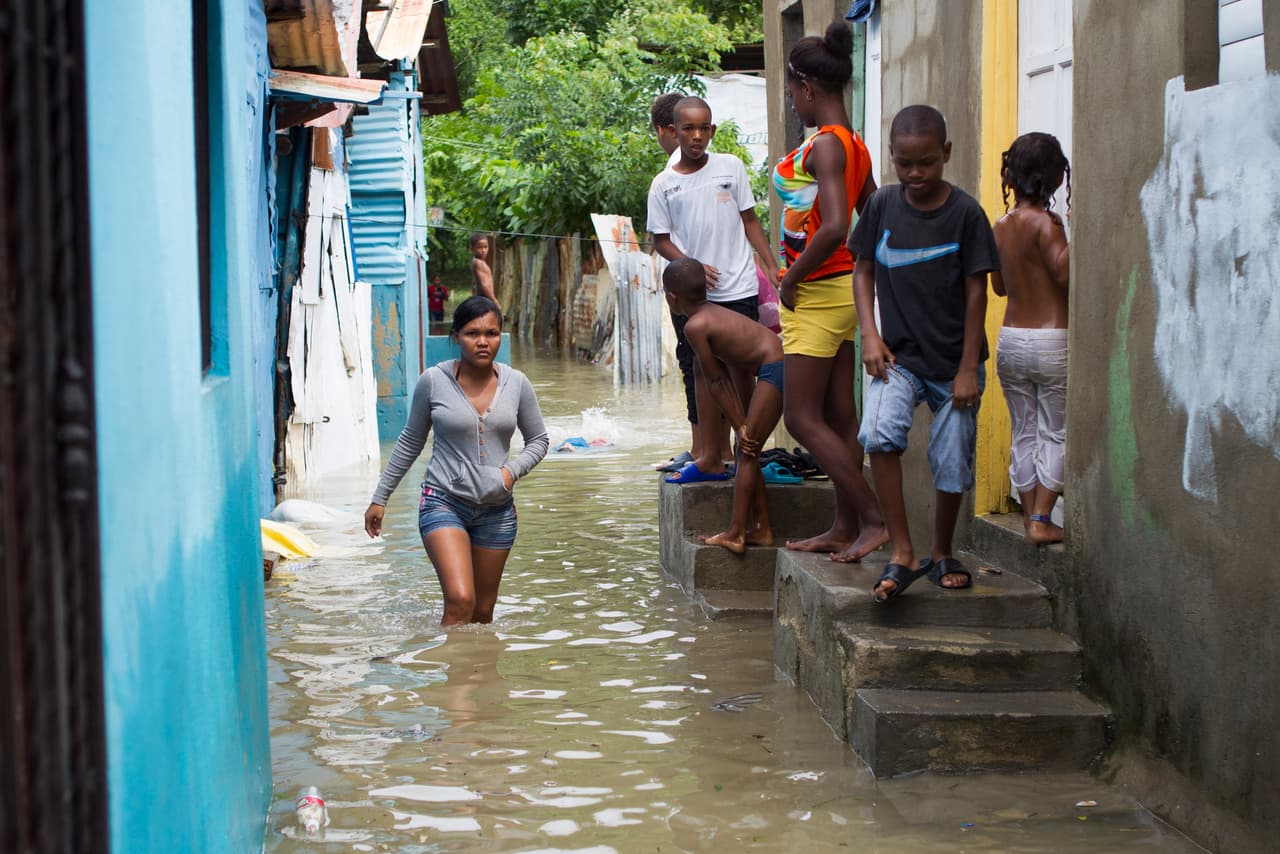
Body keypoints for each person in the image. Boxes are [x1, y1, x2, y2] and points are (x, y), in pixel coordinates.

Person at [848, 105, 999, 603]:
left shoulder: (967, 214)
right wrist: (870, 333)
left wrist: (966, 369)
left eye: (927, 164)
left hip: (956, 362)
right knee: (878, 432)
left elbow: (977, 293)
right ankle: (904, 550)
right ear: (891, 156)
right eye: (905, 164)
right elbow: (863, 269)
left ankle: (941, 551)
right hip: (900, 360)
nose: (915, 175)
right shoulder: (883, 206)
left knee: (952, 457)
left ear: (946, 155)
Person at [771, 21, 887, 563]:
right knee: (841, 413)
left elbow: (838, 224)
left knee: (800, 417)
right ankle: (843, 525)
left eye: (794, 92)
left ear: (810, 89)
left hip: (817, 294)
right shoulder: (852, 143)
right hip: (841, 290)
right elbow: (875, 209)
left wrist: (790, 277)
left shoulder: (825, 147)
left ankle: (873, 517)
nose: (793, 101)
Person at [364, 296, 548, 625]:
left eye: (491, 333)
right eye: (472, 333)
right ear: (455, 337)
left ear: (501, 336)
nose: (482, 342)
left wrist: (510, 473)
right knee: (461, 600)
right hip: (443, 501)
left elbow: (539, 440)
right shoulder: (433, 381)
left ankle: (477, 673)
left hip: (497, 510)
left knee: (482, 613)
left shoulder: (516, 383)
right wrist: (381, 498)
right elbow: (410, 441)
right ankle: (454, 676)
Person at [648, 95, 779, 482]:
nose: (696, 136)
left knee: (741, 372)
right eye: (688, 128)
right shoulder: (664, 184)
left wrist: (771, 266)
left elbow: (751, 221)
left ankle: (746, 453)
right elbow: (660, 239)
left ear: (713, 131)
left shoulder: (731, 168)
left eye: (704, 128)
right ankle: (709, 456)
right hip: (696, 296)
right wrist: (689, 266)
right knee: (704, 373)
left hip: (737, 286)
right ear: (674, 131)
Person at [663, 258, 785, 554]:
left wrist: (741, 425)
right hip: (777, 364)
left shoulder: (695, 326)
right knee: (747, 446)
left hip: (778, 368)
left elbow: (717, 382)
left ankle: (736, 533)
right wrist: (739, 422)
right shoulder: (711, 315)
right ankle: (762, 530)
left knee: (746, 448)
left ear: (672, 298)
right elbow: (720, 379)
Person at [991, 132, 1071, 545]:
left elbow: (999, 287)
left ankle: (1029, 518)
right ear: (1054, 179)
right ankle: (1042, 518)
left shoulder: (1001, 226)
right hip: (1051, 339)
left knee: (1023, 430)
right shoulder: (1047, 224)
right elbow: (1064, 274)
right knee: (1055, 432)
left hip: (1011, 339)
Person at [648, 91, 701, 474]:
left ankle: (704, 449)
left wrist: (688, 268)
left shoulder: (672, 173)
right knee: (699, 363)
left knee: (695, 362)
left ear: (667, 130)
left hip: (692, 284)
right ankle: (704, 447)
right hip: (695, 279)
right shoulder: (681, 172)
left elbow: (663, 240)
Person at [470, 233, 497, 305]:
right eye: (479, 247)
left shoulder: (481, 262)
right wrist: (495, 301)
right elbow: (484, 286)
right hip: (483, 300)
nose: (483, 250)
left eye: (485, 247)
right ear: (472, 248)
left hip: (484, 299)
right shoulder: (478, 263)